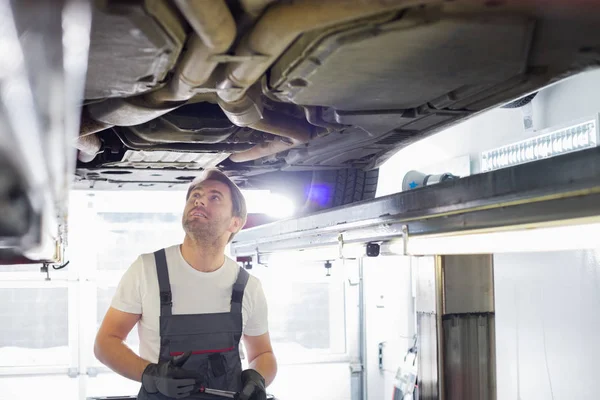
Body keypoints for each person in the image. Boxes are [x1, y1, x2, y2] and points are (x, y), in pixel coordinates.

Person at [94, 169, 277, 400]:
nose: (199, 199)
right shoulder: (147, 269)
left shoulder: (248, 286)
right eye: (195, 195)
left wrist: (257, 378)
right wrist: (151, 374)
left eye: (214, 197)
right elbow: (105, 343)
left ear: (235, 223)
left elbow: (263, 353)